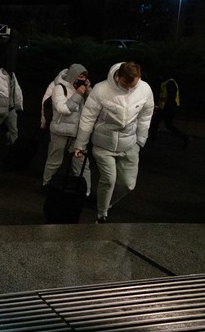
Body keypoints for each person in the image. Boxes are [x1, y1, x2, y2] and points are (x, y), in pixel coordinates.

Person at [73, 62, 154, 223]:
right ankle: (101, 214)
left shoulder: (145, 89)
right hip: (103, 143)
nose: (128, 88)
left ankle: (108, 203)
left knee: (128, 184)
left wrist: (140, 140)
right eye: (125, 84)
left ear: (139, 77)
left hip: (130, 144)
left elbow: (145, 115)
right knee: (109, 180)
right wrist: (80, 144)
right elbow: (88, 117)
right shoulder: (101, 89)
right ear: (118, 77)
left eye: (133, 85)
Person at [42, 64, 92, 194]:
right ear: (72, 76)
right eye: (79, 76)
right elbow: (63, 109)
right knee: (54, 161)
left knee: (80, 163)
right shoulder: (60, 88)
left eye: (84, 76)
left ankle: (84, 192)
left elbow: (92, 109)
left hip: (77, 134)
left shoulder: (85, 90)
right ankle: (47, 185)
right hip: (60, 131)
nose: (82, 79)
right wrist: (78, 94)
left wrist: (88, 92)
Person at [148, 75, 188, 148]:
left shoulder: (170, 83)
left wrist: (164, 108)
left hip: (167, 108)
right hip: (165, 108)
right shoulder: (166, 83)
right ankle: (152, 139)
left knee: (166, 125)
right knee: (157, 123)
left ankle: (184, 138)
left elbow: (171, 97)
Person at [0, 65, 23, 146]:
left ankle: (15, 147)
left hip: (11, 109)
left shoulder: (13, 77)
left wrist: (17, 104)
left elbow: (17, 91)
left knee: (14, 130)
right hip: (0, 111)